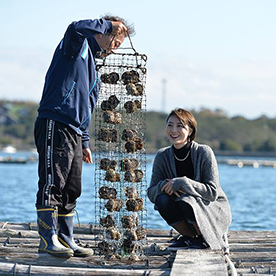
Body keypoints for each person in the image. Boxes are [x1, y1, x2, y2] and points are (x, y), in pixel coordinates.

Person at [34, 15, 135, 258]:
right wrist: (109, 25)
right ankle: (48, 239)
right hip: (55, 121)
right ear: (105, 32)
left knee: (72, 187)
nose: (113, 50)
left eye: (118, 46)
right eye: (115, 42)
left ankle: (65, 238)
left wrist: (86, 141)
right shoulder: (76, 45)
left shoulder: (93, 68)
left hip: (75, 132)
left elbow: (88, 106)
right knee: (53, 182)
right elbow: (76, 27)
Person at [147, 108, 232, 250]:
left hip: (211, 209)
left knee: (186, 200)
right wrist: (164, 185)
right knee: (162, 200)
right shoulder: (162, 155)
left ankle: (204, 237)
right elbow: (151, 194)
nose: (174, 130)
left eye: (180, 126)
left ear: (190, 131)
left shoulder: (204, 152)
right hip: (183, 208)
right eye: (170, 125)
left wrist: (182, 183)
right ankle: (189, 237)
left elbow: (212, 193)